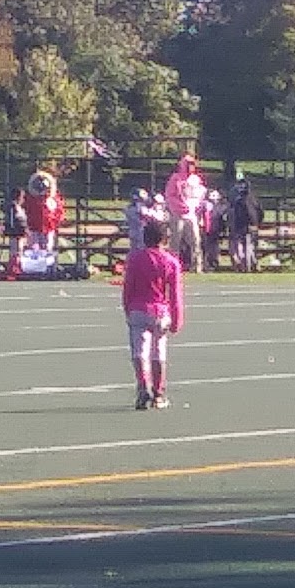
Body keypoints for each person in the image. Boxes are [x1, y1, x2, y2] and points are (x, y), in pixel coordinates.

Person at [121, 214, 184, 411]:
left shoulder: (135, 259)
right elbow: (175, 295)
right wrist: (177, 319)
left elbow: (128, 288)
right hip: (160, 311)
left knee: (140, 352)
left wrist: (127, 308)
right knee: (159, 352)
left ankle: (142, 387)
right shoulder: (170, 262)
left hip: (138, 309)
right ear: (164, 239)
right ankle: (158, 393)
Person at [163, 153, 206, 272]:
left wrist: (198, 208)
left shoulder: (196, 180)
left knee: (196, 241)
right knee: (175, 243)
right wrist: (180, 207)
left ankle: (197, 267)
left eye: (192, 164)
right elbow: (169, 196)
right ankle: (172, 267)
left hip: (192, 215)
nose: (190, 167)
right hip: (178, 215)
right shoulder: (175, 178)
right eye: (188, 164)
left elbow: (201, 196)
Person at [23, 166, 64, 257]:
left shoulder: (52, 199)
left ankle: (46, 267)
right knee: (34, 249)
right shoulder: (31, 198)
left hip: (47, 227)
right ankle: (36, 267)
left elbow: (58, 212)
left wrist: (56, 223)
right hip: (34, 227)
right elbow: (26, 210)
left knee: (47, 248)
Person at [229, 171, 263, 272]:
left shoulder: (239, 201)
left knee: (244, 245)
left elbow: (235, 214)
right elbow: (260, 212)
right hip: (250, 226)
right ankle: (251, 263)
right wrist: (257, 223)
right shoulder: (253, 199)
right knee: (249, 245)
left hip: (242, 226)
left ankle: (245, 264)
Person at [124, 184, 152, 252]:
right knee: (137, 250)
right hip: (137, 232)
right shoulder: (131, 209)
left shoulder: (144, 208)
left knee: (139, 250)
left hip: (141, 232)